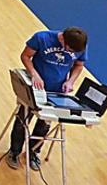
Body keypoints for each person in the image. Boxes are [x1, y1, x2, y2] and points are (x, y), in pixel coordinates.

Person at [6, 27, 89, 171]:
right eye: (69, 50)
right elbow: (25, 56)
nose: (72, 53)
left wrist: (71, 82)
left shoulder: (79, 45)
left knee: (44, 124)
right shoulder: (42, 38)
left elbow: (79, 65)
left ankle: (33, 151)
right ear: (63, 39)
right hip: (34, 88)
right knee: (22, 119)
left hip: (56, 92)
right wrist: (34, 74)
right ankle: (14, 151)